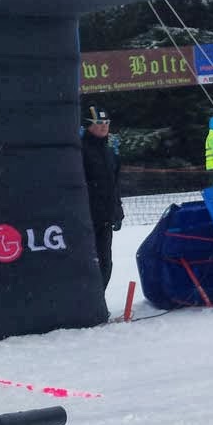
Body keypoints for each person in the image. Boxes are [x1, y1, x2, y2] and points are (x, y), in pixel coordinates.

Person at [81, 105, 124, 290]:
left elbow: (114, 185)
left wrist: (117, 210)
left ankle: (98, 299)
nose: (104, 126)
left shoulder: (109, 152)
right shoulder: (80, 151)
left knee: (105, 263)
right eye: (99, 122)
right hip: (85, 219)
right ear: (88, 125)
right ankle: (85, 301)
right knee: (87, 262)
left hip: (105, 218)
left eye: (106, 122)